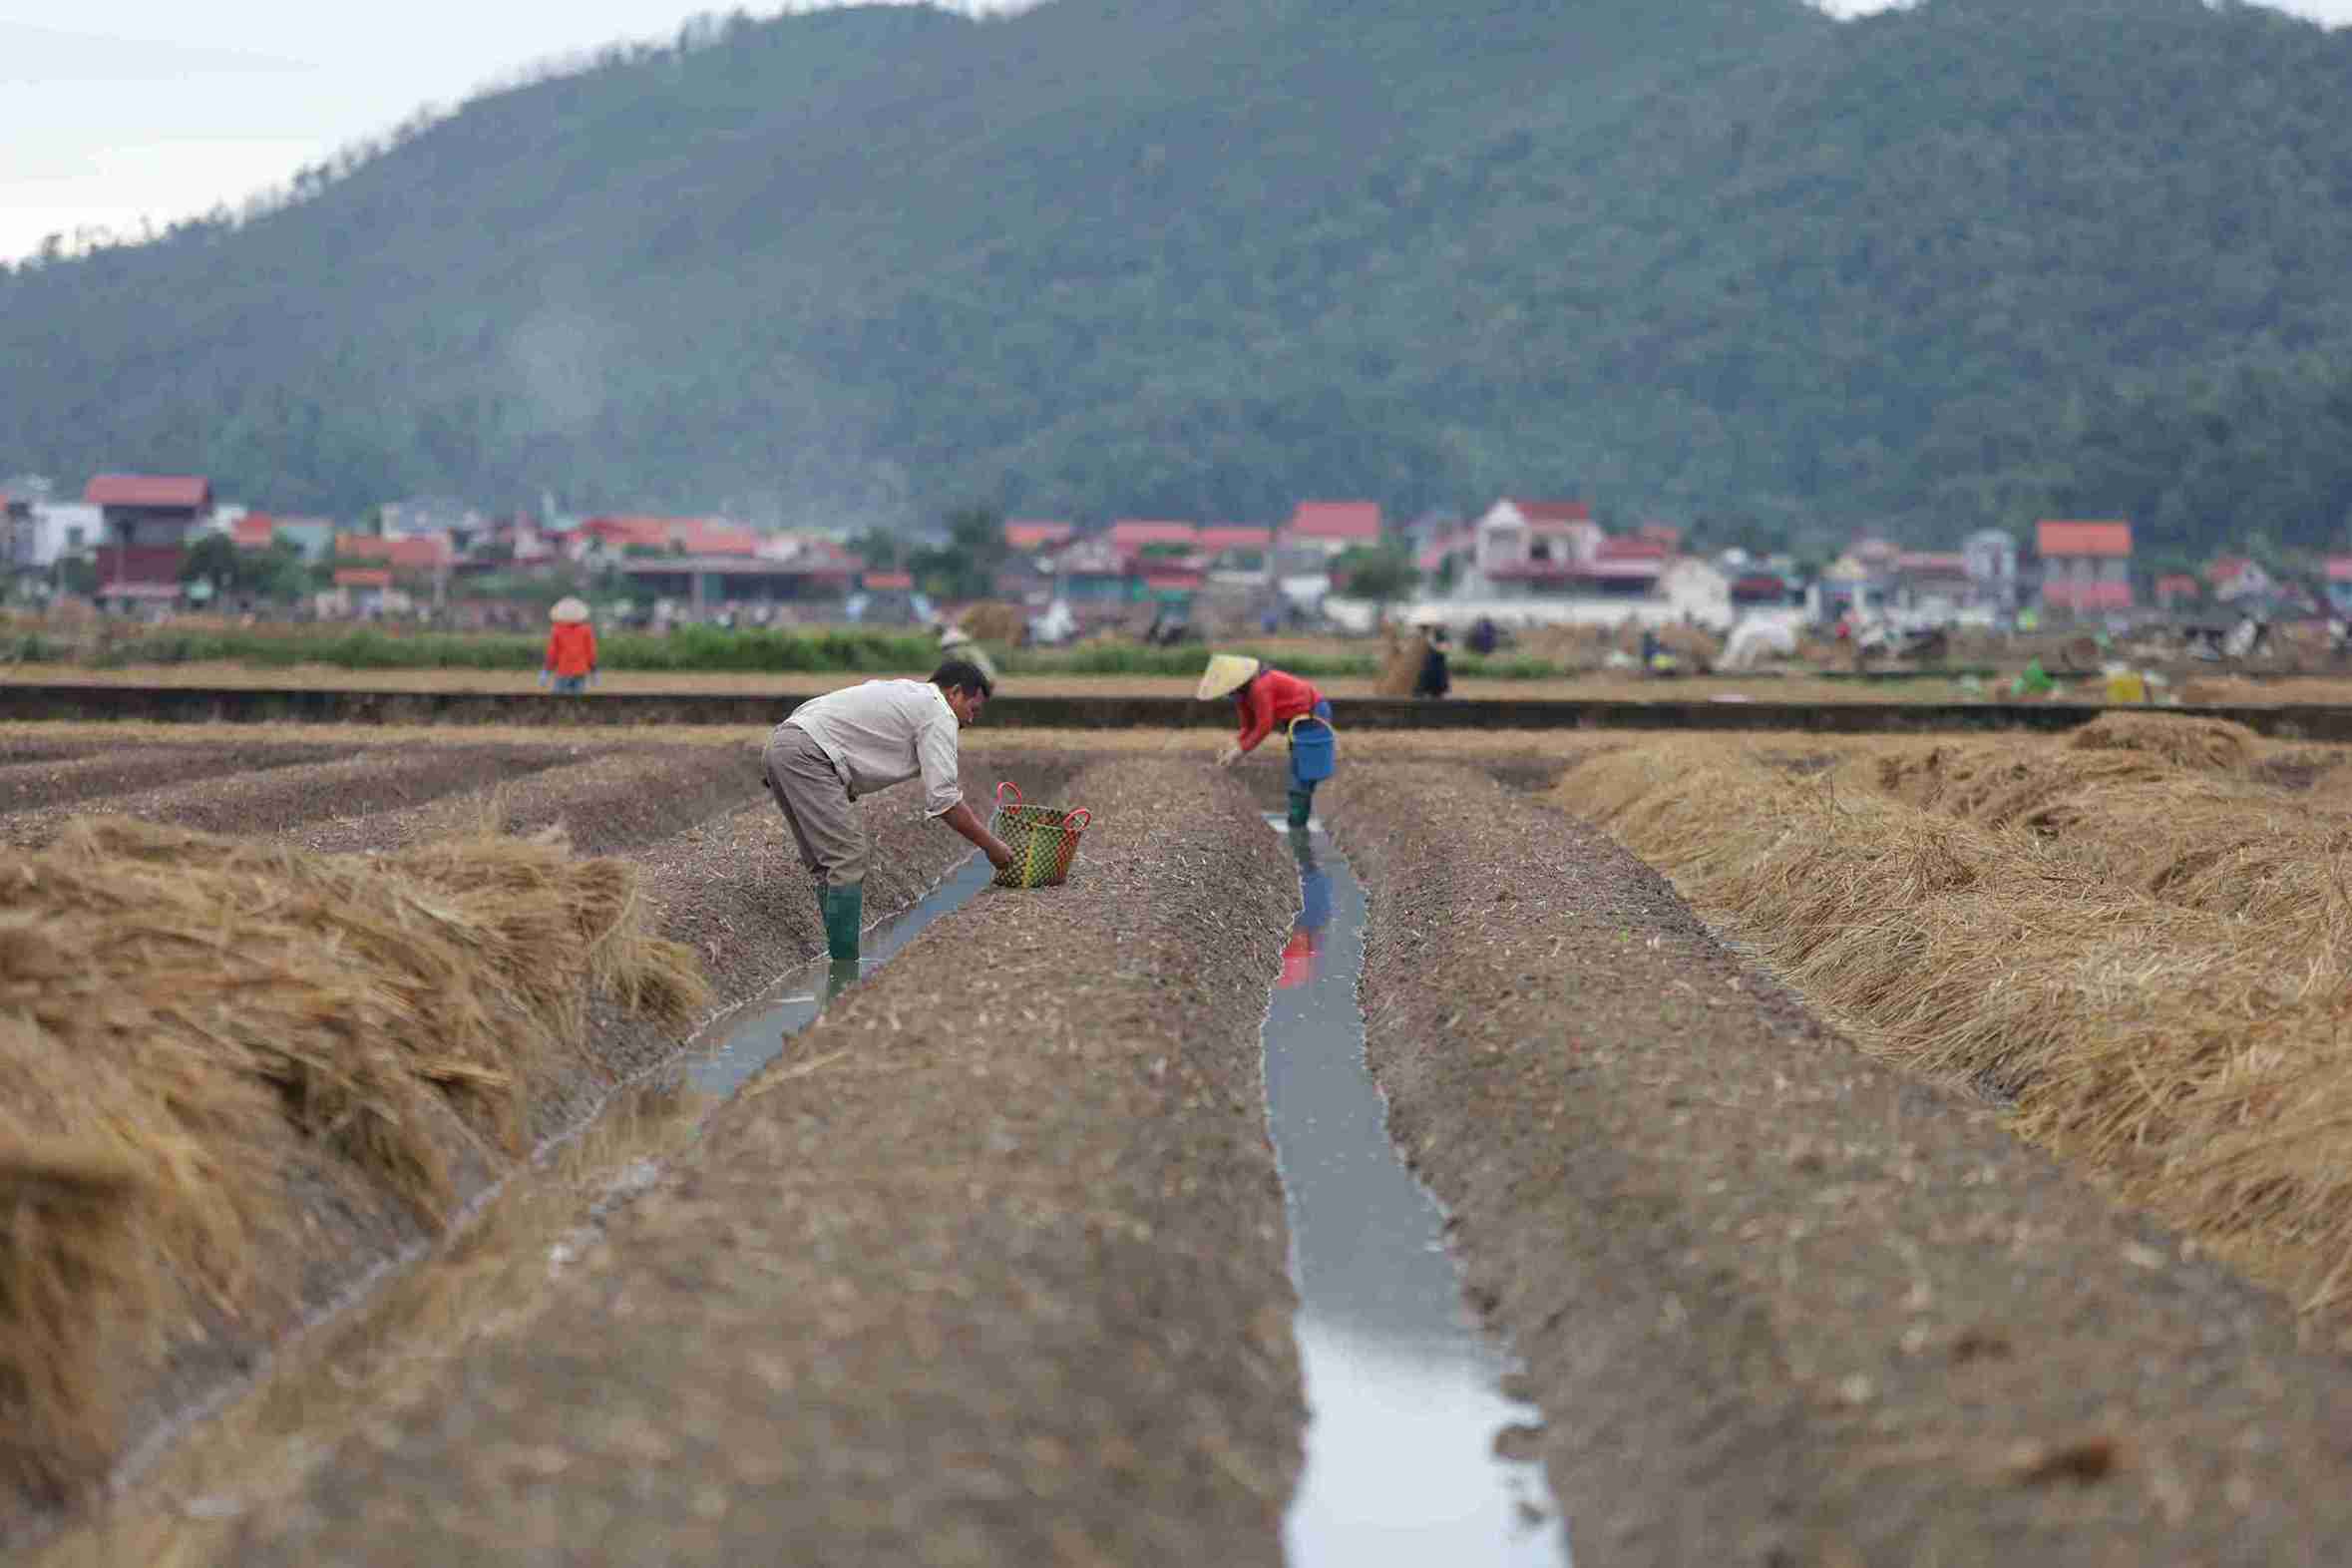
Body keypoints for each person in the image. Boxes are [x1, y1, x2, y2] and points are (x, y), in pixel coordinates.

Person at [762, 660, 1015, 963]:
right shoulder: (938, 711)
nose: (971, 720)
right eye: (972, 709)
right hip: (808, 754)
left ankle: (838, 958)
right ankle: (845, 964)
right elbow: (945, 800)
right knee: (847, 856)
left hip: (784, 744)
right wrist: (992, 846)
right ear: (955, 693)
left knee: (826, 865)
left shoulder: (908, 694)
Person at [1199, 652, 1335, 829]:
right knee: (1299, 767)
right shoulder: (1242, 694)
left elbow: (1264, 725)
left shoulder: (1260, 687)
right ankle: (1299, 819)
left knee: (1302, 770)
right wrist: (1234, 745)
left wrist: (1240, 751)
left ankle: (1297, 824)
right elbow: (1248, 726)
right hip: (1295, 719)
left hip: (1312, 714)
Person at [541, 597, 596, 693]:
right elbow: (591, 652)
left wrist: (546, 670)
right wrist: (593, 670)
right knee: (578, 702)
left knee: (558, 701)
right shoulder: (587, 630)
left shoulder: (556, 630)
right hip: (580, 670)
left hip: (563, 670)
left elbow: (552, 653)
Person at [1412, 624, 1452, 699]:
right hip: (1427, 668)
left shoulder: (1442, 636)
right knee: (1419, 693)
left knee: (1437, 695)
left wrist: (1431, 642)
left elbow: (1444, 649)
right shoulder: (1423, 636)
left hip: (1438, 669)